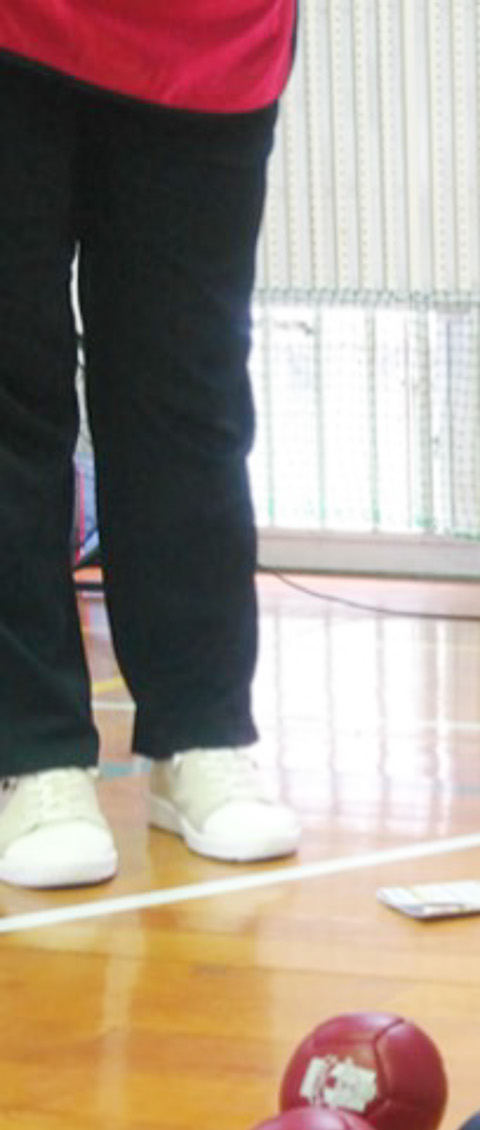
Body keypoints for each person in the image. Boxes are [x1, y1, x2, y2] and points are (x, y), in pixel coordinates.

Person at [0, 2, 303, 892]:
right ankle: (34, 752)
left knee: (188, 390)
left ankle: (199, 734)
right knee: (10, 388)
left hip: (205, 38)